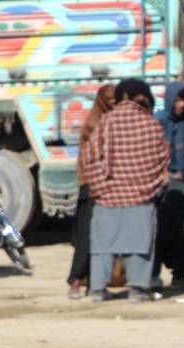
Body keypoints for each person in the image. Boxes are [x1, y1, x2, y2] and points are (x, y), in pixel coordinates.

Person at [87, 78, 172, 302]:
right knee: (139, 245)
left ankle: (97, 289)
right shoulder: (152, 124)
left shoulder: (106, 121)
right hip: (141, 197)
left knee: (103, 246)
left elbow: (91, 156)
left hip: (107, 196)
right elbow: (162, 159)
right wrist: (149, 184)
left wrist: (98, 187)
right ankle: (137, 290)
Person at [69, 83, 118, 299]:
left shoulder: (113, 122)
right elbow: (89, 159)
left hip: (107, 187)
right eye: (110, 101)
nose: (113, 105)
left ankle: (96, 282)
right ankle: (77, 280)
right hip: (91, 186)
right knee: (86, 237)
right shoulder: (94, 124)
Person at [157, 82, 184, 288]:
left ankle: (180, 275)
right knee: (159, 230)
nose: (181, 104)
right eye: (178, 100)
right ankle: (154, 275)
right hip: (162, 186)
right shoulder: (160, 121)